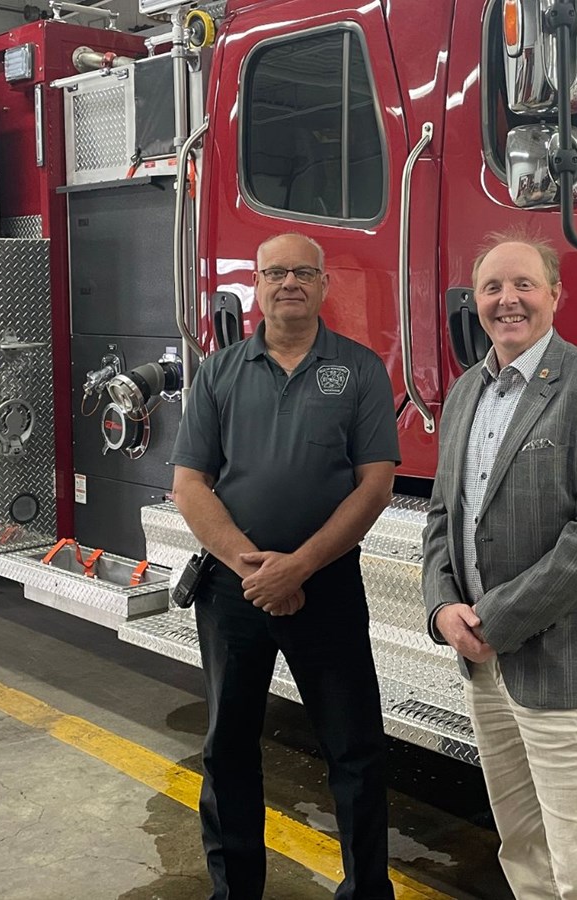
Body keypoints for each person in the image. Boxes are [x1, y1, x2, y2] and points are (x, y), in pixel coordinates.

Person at [170, 232, 400, 900]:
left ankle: (366, 892)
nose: (289, 283)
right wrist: (259, 573)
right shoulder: (218, 372)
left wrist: (298, 567)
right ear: (258, 286)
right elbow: (190, 485)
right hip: (232, 589)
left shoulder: (358, 370)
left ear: (324, 285)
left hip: (325, 586)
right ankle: (235, 891)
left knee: (355, 751)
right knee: (228, 749)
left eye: (303, 272)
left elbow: (376, 485)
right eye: (275, 272)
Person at [422, 231, 577, 899]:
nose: (506, 300)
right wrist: (440, 609)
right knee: (521, 848)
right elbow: (442, 518)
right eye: (492, 287)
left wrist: (494, 616)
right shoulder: (464, 394)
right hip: (486, 667)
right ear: (476, 302)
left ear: (555, 296)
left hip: (567, 663)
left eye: (523, 285)